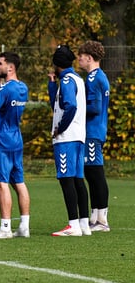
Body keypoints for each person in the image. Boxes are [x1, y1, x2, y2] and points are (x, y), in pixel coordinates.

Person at [0, 52, 31, 239]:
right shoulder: (22, 88)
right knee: (19, 182)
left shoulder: (6, 90)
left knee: (0, 184)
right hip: (16, 139)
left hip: (1, 141)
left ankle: (5, 228)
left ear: (10, 67)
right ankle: (24, 226)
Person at [48, 45, 89, 237]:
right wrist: (51, 85)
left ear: (57, 64)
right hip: (79, 136)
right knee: (77, 179)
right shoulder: (77, 79)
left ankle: (72, 224)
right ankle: (83, 223)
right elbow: (59, 105)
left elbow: (70, 106)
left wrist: (60, 129)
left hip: (67, 138)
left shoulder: (66, 80)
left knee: (66, 179)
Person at [77, 41, 111, 232]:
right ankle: (96, 216)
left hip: (92, 132)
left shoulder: (93, 79)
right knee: (91, 173)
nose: (79, 59)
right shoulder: (99, 76)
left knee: (96, 174)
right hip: (95, 131)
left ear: (89, 58)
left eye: (81, 56)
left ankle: (102, 220)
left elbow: (95, 107)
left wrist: (77, 107)